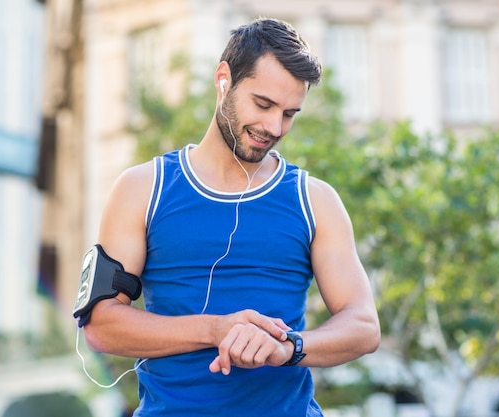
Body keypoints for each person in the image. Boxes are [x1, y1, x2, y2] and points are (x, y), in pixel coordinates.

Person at [77, 17, 380, 416]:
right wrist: (215, 329)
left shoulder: (315, 200)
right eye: (263, 104)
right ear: (224, 79)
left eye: (290, 113)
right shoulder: (141, 189)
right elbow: (100, 325)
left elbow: (363, 325)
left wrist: (287, 347)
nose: (274, 126)